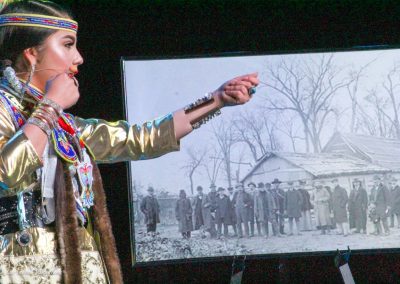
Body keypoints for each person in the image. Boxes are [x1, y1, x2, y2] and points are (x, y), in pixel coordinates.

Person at [0, 1, 259, 282]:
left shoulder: (66, 126)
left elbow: (141, 139)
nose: (79, 58)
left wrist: (217, 100)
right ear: (31, 54)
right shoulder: (7, 108)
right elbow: (4, 172)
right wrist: (49, 107)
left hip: (80, 266)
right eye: (67, 45)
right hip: (20, 265)